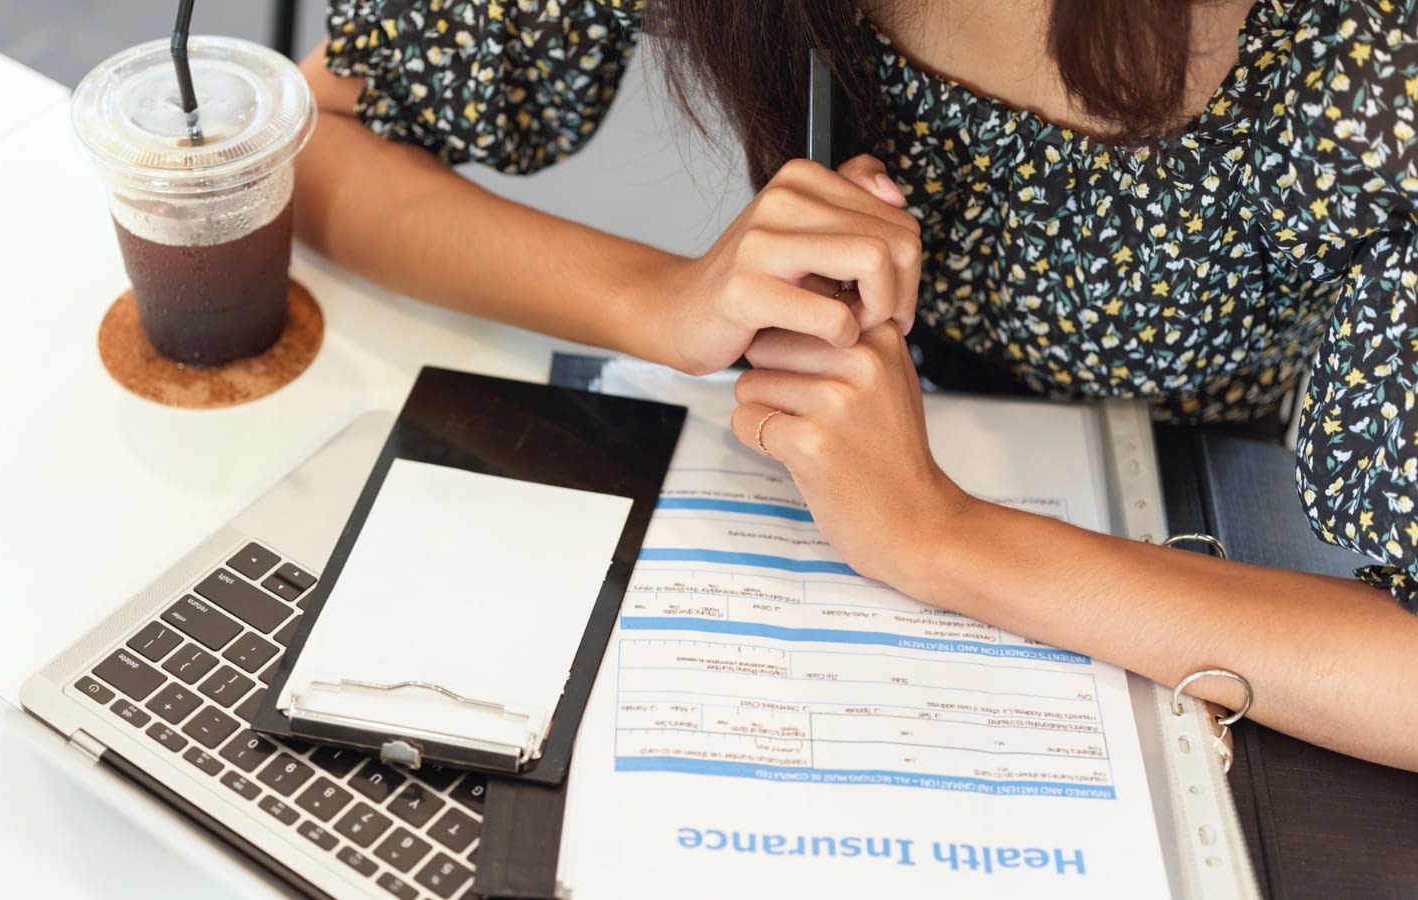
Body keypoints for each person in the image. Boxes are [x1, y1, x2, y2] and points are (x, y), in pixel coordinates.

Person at [292, 0, 1418, 771]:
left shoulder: (1371, 57)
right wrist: (664, 305)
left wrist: (940, 536)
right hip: (857, 437)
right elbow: (304, 142)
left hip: (1213, 487)